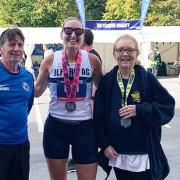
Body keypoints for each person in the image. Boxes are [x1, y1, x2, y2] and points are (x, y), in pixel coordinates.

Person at [94, 34, 175, 180]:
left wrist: (140, 109)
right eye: (120, 50)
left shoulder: (146, 78)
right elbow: (98, 117)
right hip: (118, 154)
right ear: (114, 53)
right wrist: (105, 145)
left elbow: (168, 106)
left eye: (130, 50)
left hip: (144, 153)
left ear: (137, 53)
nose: (125, 54)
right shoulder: (107, 81)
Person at [34, 17, 102, 180]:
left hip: (84, 127)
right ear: (61, 34)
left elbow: (104, 91)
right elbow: (36, 91)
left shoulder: (92, 60)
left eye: (78, 32)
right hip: (56, 127)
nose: (73, 35)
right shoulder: (50, 60)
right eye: (68, 31)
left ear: (83, 36)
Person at [67, 28, 103, 173]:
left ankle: (82, 160)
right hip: (86, 104)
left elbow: (97, 84)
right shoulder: (91, 54)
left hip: (90, 105)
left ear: (83, 40)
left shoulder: (90, 56)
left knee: (88, 137)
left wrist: (93, 101)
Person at [0, 28, 34, 180]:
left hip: (21, 144)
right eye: (12, 44)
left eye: (20, 45)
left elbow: (27, 105)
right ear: (1, 49)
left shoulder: (27, 77)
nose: (16, 49)